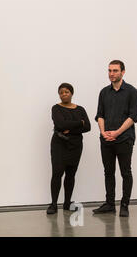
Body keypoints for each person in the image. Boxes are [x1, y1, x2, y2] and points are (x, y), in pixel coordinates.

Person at [93, 60, 137, 217]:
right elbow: (100, 115)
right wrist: (103, 132)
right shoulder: (104, 92)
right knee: (108, 172)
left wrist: (117, 132)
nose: (111, 74)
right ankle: (109, 204)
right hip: (106, 140)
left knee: (125, 172)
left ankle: (125, 204)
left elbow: (135, 116)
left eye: (115, 70)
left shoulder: (131, 92)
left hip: (124, 139)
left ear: (123, 72)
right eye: (109, 70)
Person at [47, 83, 91, 214]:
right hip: (59, 144)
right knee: (57, 173)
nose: (64, 94)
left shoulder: (80, 109)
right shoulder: (56, 108)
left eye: (66, 92)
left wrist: (70, 128)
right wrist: (79, 123)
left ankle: (67, 203)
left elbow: (88, 127)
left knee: (71, 174)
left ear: (72, 93)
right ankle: (53, 204)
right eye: (61, 92)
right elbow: (60, 124)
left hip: (75, 146)